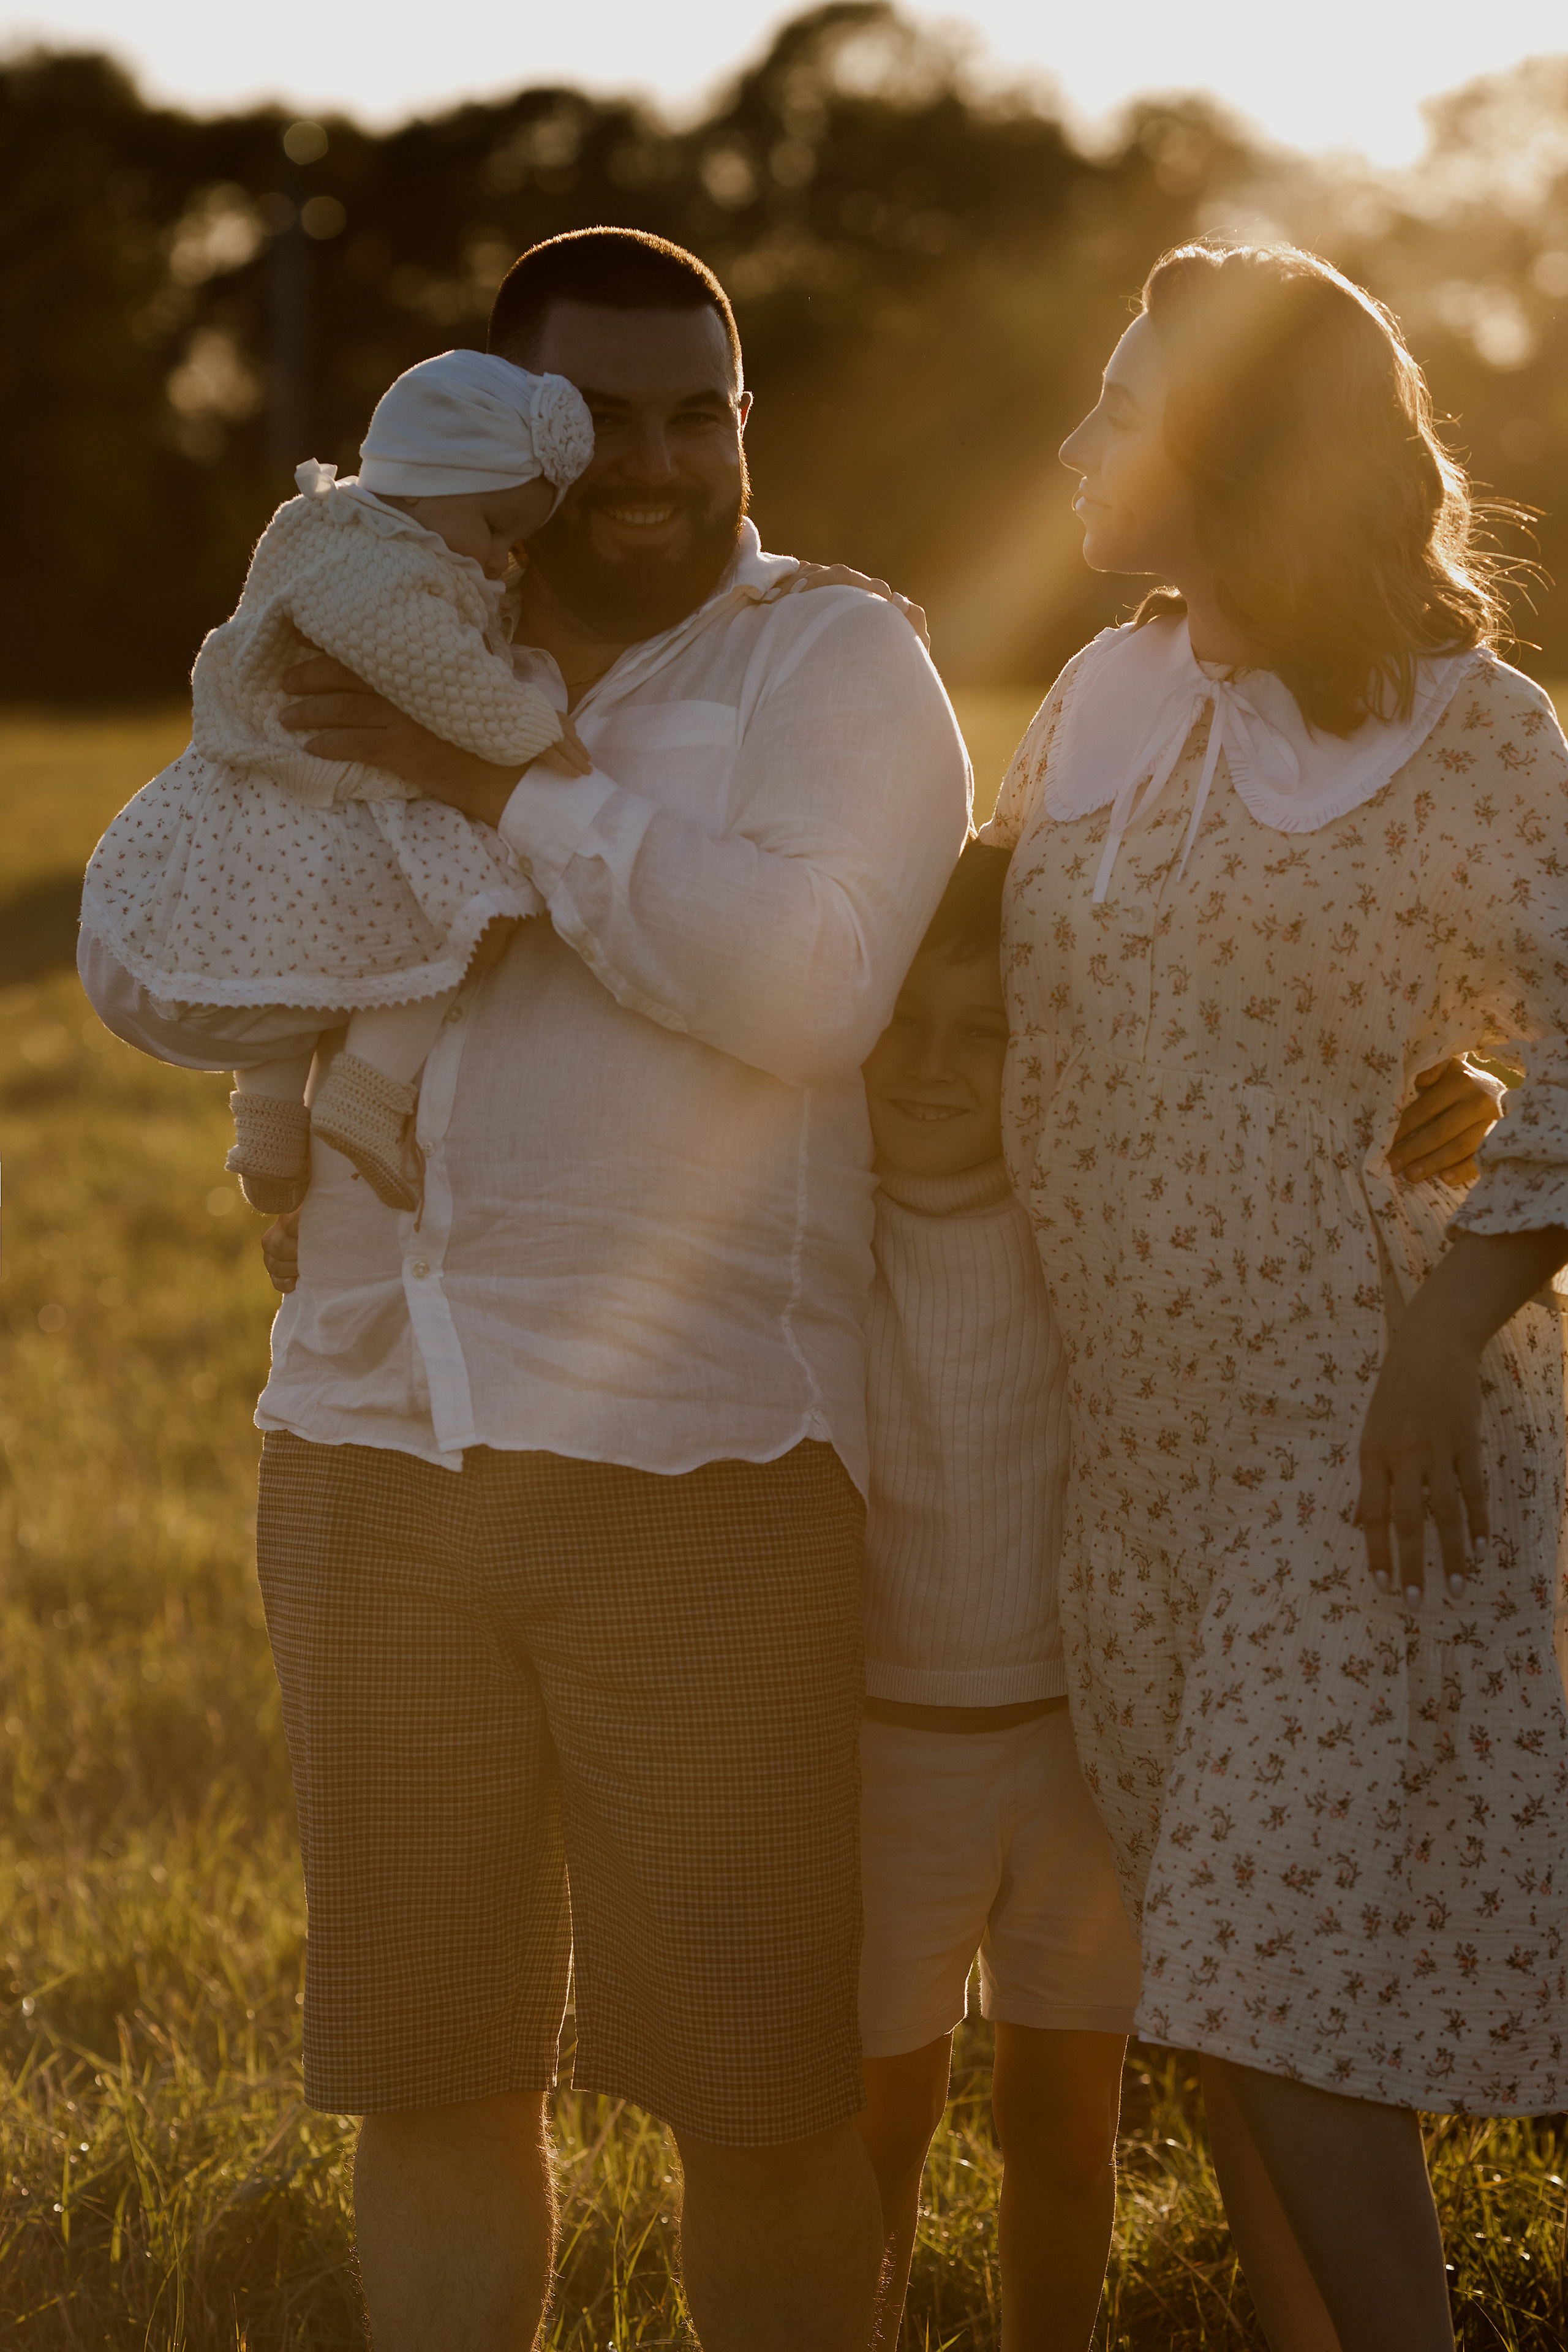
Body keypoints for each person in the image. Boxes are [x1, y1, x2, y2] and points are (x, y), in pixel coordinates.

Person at [79, 226, 971, 2352]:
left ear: (748, 425)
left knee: (756, 2101)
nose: (657, 463)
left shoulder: (829, 666)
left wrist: (506, 789)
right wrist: (305, 771)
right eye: (607, 420)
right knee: (433, 2077)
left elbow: (808, 988)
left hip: (706, 1468)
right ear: (513, 425)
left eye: (703, 413)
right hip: (373, 1448)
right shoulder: (383, 621)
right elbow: (148, 968)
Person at [983, 239, 1568, 2352]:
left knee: (1266, 1968)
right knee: (1234, 2004)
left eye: (1125, 410)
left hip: (1363, 1449)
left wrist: (1447, 1317)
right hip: (1134, 1465)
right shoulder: (1096, 695)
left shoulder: (1471, 724)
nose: (1077, 445)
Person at [83, 350, 596, 1214]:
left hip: (268, 801)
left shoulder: (332, 528)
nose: (504, 558)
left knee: (277, 958)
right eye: (496, 527)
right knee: (472, 913)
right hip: (330, 797)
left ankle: (272, 1128)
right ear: (435, 484)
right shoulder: (382, 569)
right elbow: (434, 667)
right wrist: (527, 728)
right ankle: (366, 1095)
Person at [854, 837, 1140, 2351]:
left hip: (1069, 1747)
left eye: (983, 1036)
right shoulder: (818, 1224)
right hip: (881, 1749)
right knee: (872, 2129)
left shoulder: (1078, 1231)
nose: (930, 1065)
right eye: (900, 1018)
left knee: (1061, 2123)